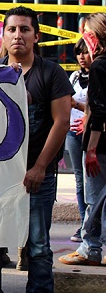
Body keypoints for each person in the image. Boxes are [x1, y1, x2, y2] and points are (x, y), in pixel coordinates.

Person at [0, 6, 73, 293]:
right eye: (12, 29)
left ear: (36, 35)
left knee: (39, 245)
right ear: (3, 36)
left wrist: (40, 167)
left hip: (36, 175)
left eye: (25, 29)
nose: (18, 35)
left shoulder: (51, 73)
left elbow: (61, 122)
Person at [58, 12, 106, 267]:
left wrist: (91, 149)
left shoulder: (99, 65)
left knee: (94, 198)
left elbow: (98, 109)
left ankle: (90, 248)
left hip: (100, 145)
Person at [66, 38, 92, 243]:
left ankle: (94, 227)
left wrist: (77, 105)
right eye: (78, 53)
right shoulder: (73, 77)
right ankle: (85, 224)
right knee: (79, 181)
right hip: (72, 132)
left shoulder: (100, 74)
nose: (82, 57)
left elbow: (97, 109)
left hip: (93, 132)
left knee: (92, 180)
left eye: (85, 52)